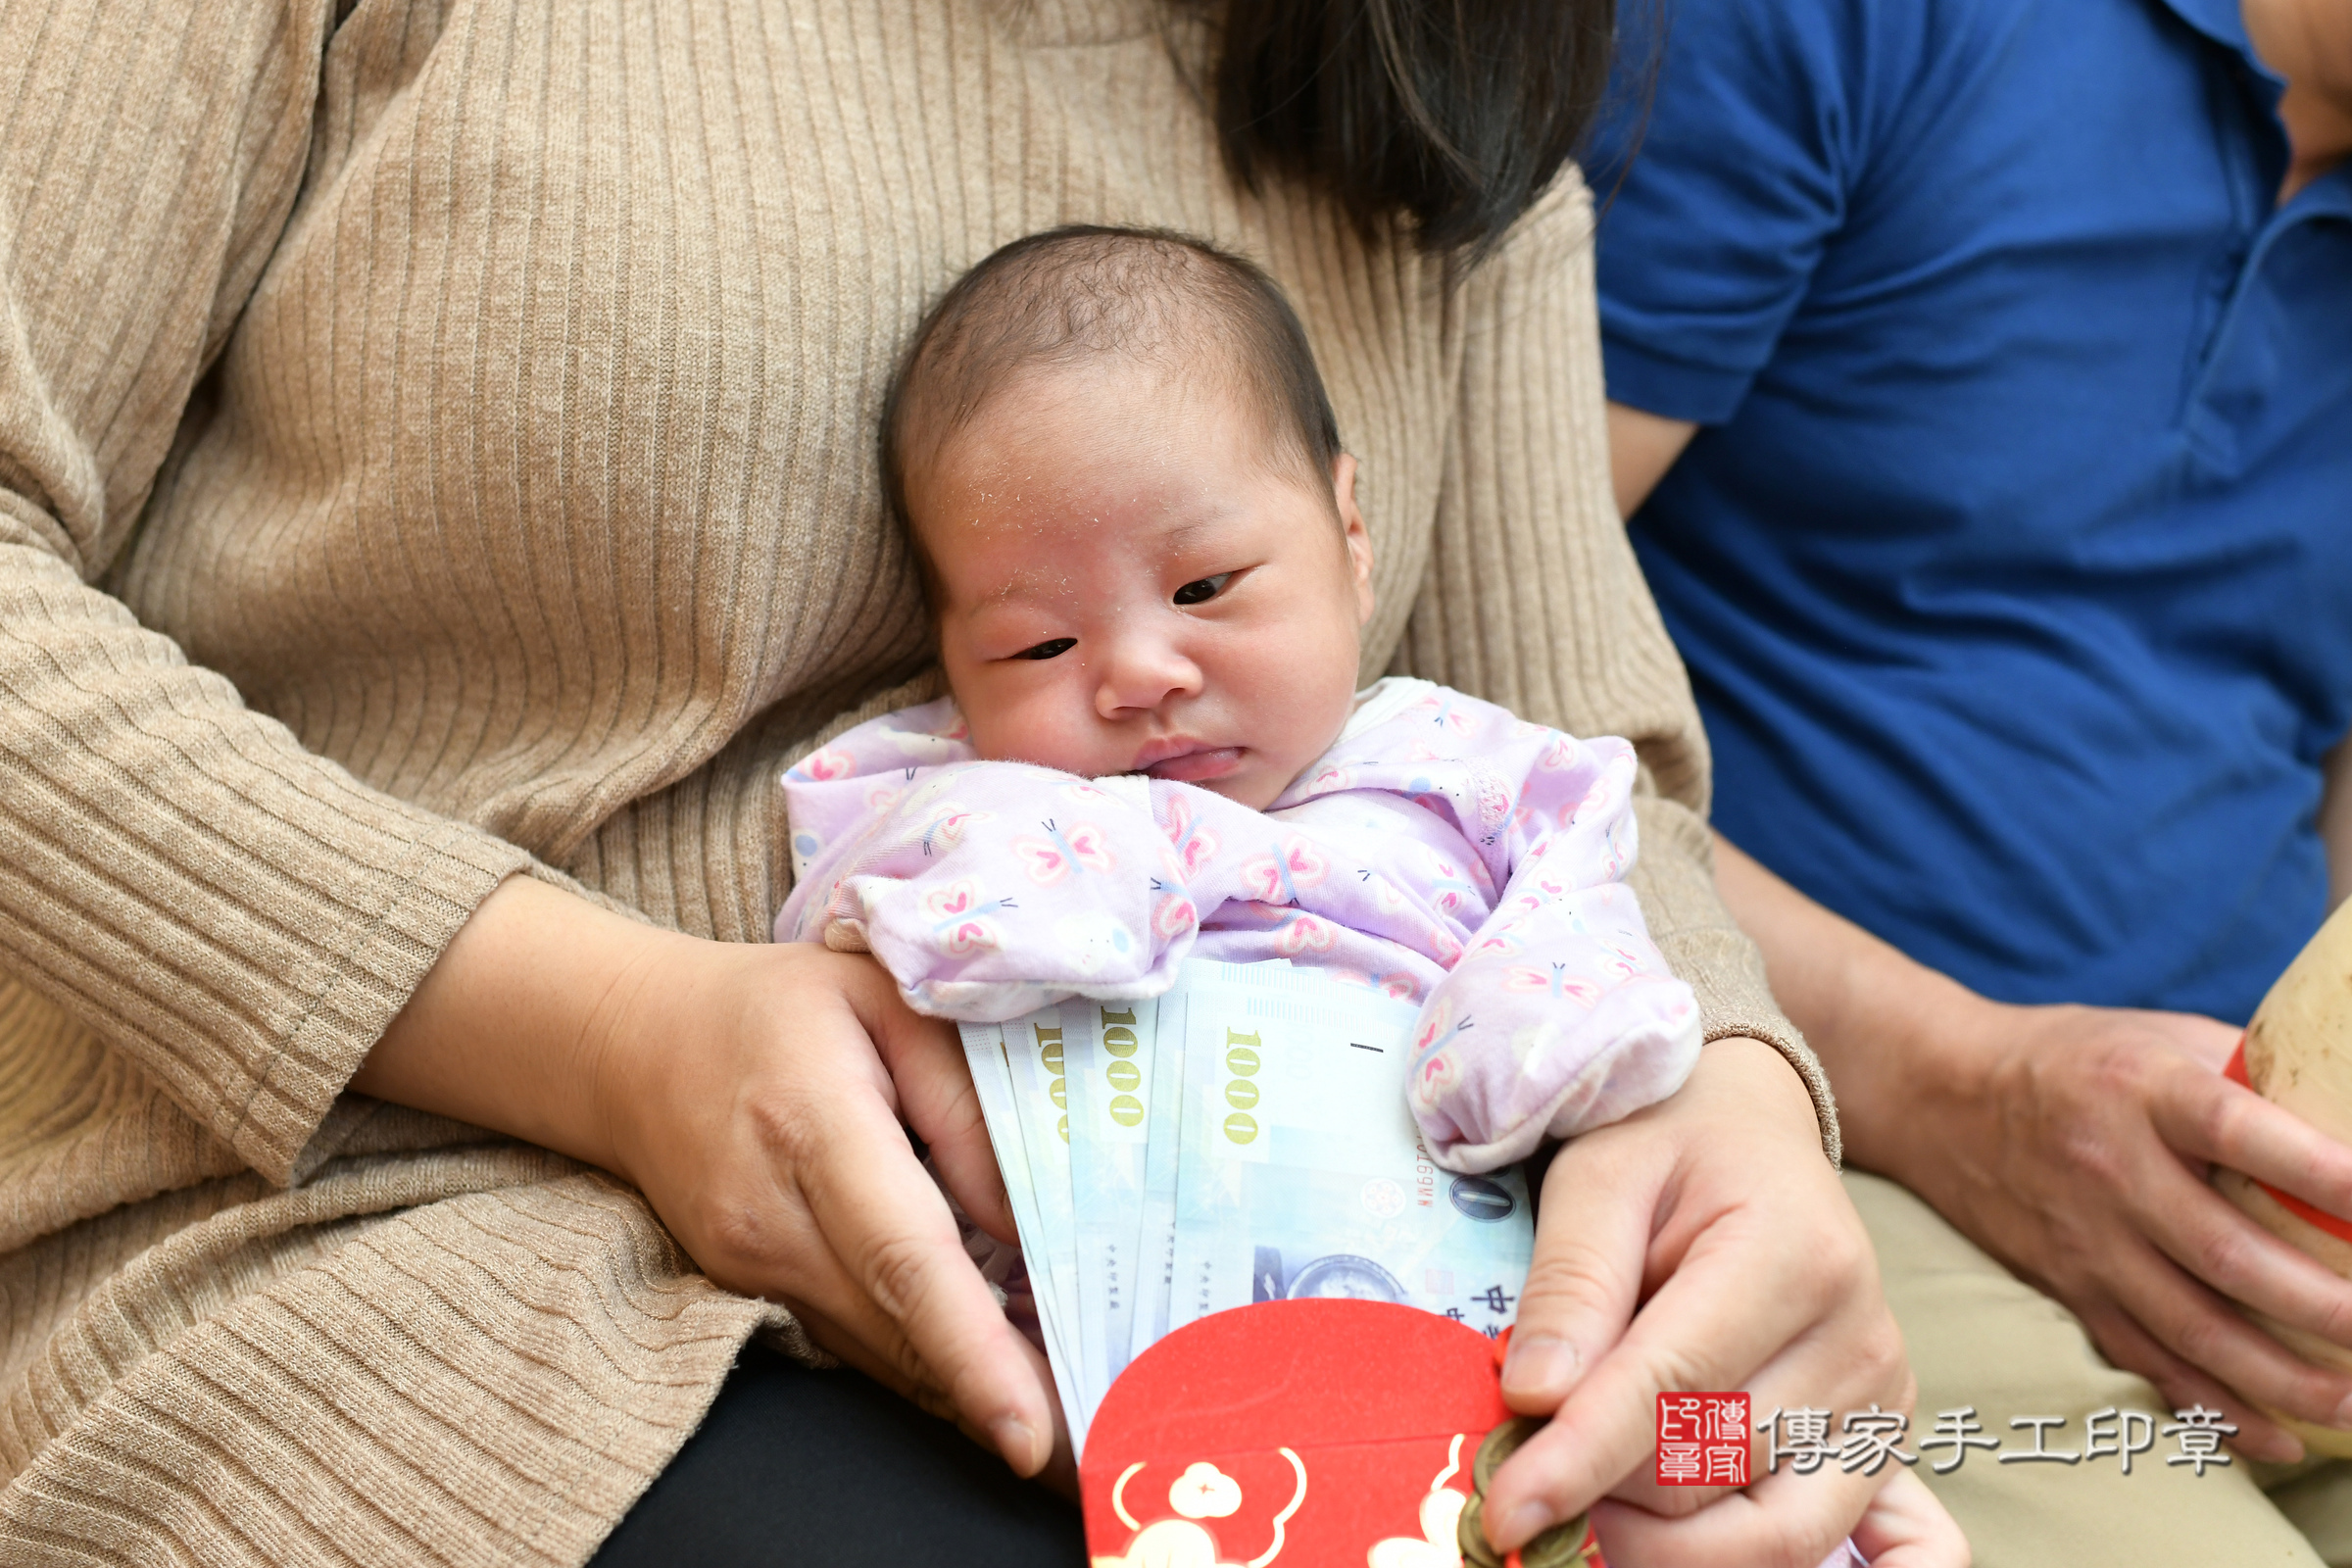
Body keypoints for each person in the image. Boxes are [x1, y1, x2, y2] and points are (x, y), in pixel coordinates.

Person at [0, 2, 1907, 1564]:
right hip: (391, 1239)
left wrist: (1727, 1097)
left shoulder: (1444, 80)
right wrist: (612, 1036)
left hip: (1277, 1289)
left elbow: (1572, 762)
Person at [1588, 0, 2352, 1558]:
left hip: (2238, 1237)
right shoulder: (1869, 26)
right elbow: (1436, 673)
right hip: (1765, 1114)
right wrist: (1967, 1084)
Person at [779, 225, 1707, 1173]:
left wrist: (1527, 1047)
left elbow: (1578, 894)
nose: (1142, 676)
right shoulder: (971, 790)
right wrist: (1046, 895)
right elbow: (849, 909)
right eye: (1040, 645)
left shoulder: (1462, 764)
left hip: (1430, 1207)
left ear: (1350, 540)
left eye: (1204, 587)